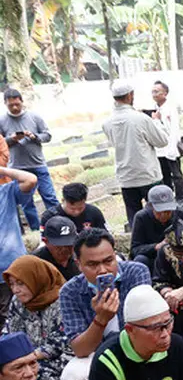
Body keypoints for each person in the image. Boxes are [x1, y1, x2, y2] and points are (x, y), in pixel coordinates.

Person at [58, 228, 154, 380]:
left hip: (138, 347)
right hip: (99, 353)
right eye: (92, 264)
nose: (103, 270)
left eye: (108, 261)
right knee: (73, 379)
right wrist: (101, 319)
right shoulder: (70, 291)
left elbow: (147, 326)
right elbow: (80, 349)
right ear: (78, 264)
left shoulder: (136, 272)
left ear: (115, 256)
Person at [101, 80, 169, 226]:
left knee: (135, 219)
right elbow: (162, 141)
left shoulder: (107, 123)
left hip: (126, 177)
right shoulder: (141, 118)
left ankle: (137, 238)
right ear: (130, 95)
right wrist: (157, 121)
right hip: (148, 175)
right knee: (160, 216)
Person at [2, 257, 69, 380]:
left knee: (30, 376)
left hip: (59, 358)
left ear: (36, 279)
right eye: (12, 284)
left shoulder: (62, 300)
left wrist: (27, 358)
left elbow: (59, 344)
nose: (15, 290)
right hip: (25, 358)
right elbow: (11, 332)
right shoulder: (18, 301)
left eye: (20, 283)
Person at [0, 88, 59, 230]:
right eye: (11, 105)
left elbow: (47, 135)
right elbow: (1, 143)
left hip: (38, 164)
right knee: (26, 203)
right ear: (5, 104)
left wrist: (34, 136)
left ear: (22, 101)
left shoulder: (34, 117)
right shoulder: (2, 121)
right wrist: (12, 139)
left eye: (17, 104)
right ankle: (35, 229)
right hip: (17, 168)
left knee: (49, 197)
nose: (15, 107)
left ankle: (58, 225)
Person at [0, 167, 39, 330]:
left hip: (13, 270)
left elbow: (30, 179)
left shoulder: (5, 192)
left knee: (19, 319)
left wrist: (2, 169)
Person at [130, 184, 183, 271]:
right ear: (151, 206)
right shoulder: (141, 217)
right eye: (159, 211)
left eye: (167, 211)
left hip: (177, 257)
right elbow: (135, 249)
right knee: (140, 260)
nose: (163, 215)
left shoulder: (179, 213)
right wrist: (156, 246)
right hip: (154, 259)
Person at [151, 80, 183, 205]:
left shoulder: (170, 108)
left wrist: (157, 120)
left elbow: (173, 129)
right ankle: (168, 198)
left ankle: (181, 198)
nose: (154, 94)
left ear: (165, 93)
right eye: (153, 92)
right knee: (164, 175)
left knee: (176, 174)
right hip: (160, 149)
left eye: (157, 91)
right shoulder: (155, 109)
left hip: (171, 147)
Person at [39, 182, 107, 232]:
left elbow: (105, 235)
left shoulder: (94, 213)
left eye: (80, 208)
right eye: (72, 208)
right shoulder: (49, 217)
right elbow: (45, 241)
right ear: (63, 200)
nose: (76, 212)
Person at [34, 215, 80, 280]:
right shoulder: (35, 264)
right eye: (59, 246)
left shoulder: (81, 257)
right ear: (45, 241)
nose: (64, 249)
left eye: (69, 245)